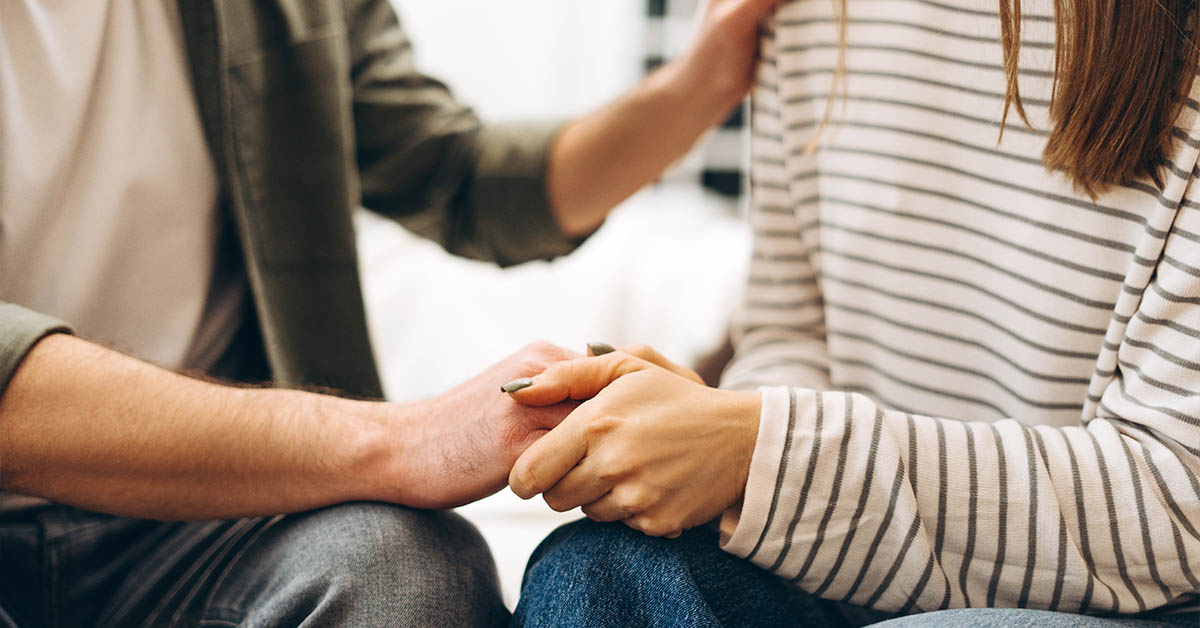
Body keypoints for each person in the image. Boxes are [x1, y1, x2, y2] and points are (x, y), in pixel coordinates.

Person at [0, 0, 782, 625]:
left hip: (213, 511)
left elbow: (460, 177)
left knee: (413, 569)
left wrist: (699, 86)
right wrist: (400, 442)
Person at [504, 0, 1200, 626]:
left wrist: (760, 451)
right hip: (843, 558)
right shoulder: (808, 16)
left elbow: (1177, 507)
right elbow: (789, 329)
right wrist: (721, 434)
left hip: (1131, 597)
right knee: (595, 570)